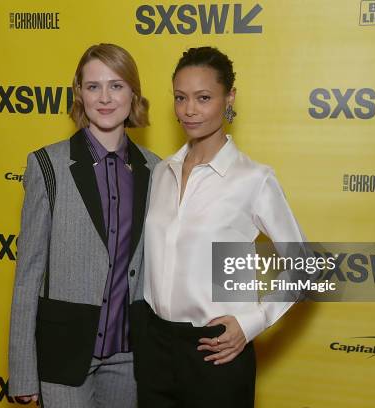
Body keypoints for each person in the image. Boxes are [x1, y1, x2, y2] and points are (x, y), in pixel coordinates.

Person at [138, 46, 307, 407]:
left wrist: (253, 322)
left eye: (203, 97)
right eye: (180, 98)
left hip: (216, 351)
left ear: (228, 98)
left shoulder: (253, 178)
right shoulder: (161, 172)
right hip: (154, 348)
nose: (189, 110)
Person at [8, 43, 160, 408]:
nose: (105, 98)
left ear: (133, 93)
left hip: (130, 357)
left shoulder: (157, 170)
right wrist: (23, 370)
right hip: (64, 355)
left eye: (117, 85)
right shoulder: (47, 165)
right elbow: (28, 273)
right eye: (93, 87)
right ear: (79, 93)